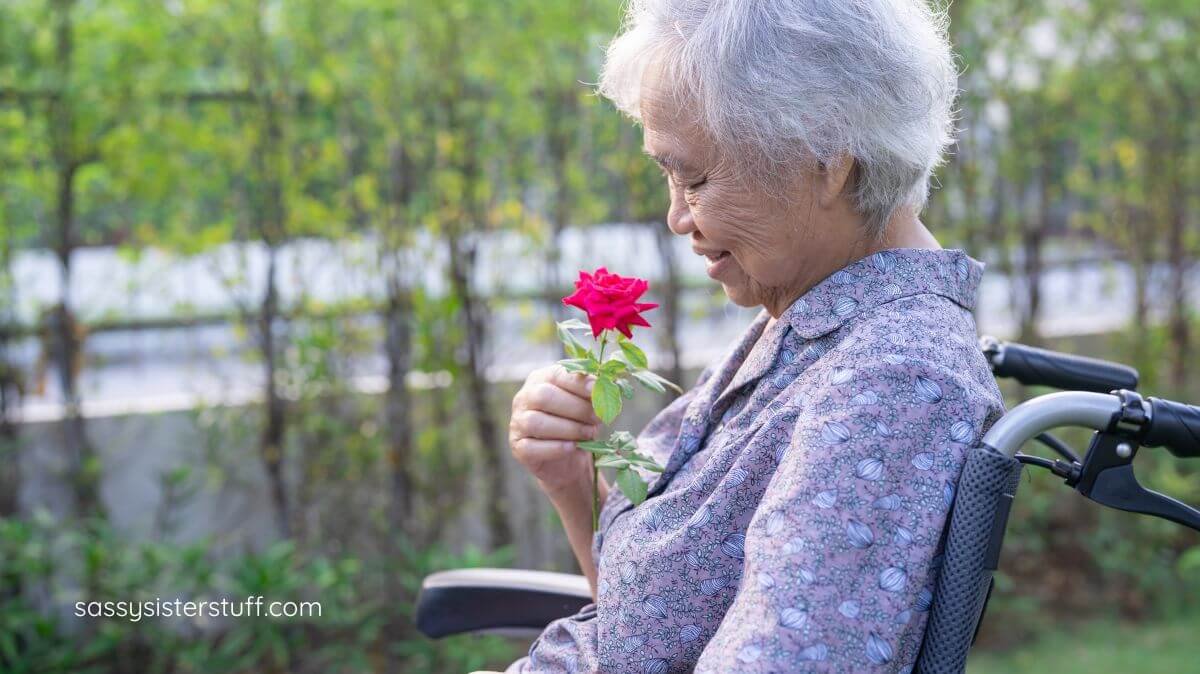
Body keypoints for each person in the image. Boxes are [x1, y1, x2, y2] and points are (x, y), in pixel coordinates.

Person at [494, 0, 1004, 671]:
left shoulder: (892, 381)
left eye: (695, 177)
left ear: (828, 160)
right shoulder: (811, 321)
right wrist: (573, 480)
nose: (677, 216)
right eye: (667, 174)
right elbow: (648, 632)